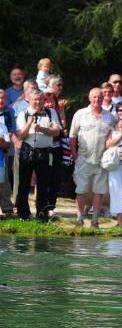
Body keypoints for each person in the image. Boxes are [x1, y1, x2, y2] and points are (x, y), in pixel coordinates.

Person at [70, 88, 115, 228]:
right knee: (81, 190)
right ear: (89, 98)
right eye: (94, 97)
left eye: (100, 97)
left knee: (99, 191)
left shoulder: (110, 117)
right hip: (83, 158)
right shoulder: (80, 114)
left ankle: (95, 220)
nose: (97, 99)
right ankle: (79, 218)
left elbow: (113, 137)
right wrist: (75, 154)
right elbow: (72, 136)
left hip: (101, 160)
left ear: (103, 98)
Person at [16, 89, 60, 220]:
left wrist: (42, 129)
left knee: (43, 184)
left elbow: (56, 132)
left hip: (45, 151)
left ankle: (42, 214)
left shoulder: (51, 113)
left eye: (41, 99)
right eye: (35, 99)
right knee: (23, 183)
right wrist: (29, 123)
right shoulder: (23, 114)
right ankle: (23, 214)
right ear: (29, 99)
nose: (38, 102)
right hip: (27, 150)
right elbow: (21, 136)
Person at [43, 76, 68, 217]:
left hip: (57, 149)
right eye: (46, 101)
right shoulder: (40, 113)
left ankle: (51, 205)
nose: (49, 103)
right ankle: (43, 205)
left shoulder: (56, 112)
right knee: (44, 178)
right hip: (44, 149)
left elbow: (61, 131)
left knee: (55, 178)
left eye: (51, 101)